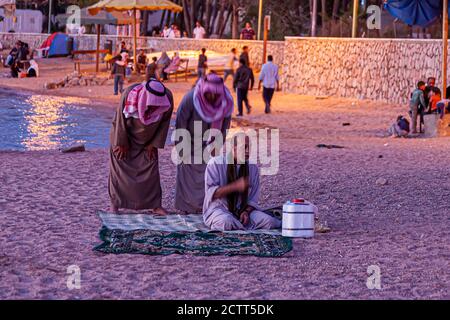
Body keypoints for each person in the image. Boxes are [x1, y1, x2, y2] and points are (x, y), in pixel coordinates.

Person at [109, 79, 174, 215]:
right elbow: (119, 120)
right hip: (124, 138)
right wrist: (122, 143)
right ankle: (115, 204)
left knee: (151, 170)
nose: (152, 108)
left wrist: (153, 144)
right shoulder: (128, 94)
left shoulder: (167, 97)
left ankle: (155, 206)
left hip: (148, 141)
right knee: (119, 172)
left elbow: (164, 123)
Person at [174, 73, 234, 213]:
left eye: (216, 95)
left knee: (209, 176)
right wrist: (183, 150)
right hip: (189, 142)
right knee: (187, 177)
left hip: (211, 144)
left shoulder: (226, 102)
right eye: (209, 94)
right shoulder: (190, 99)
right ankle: (186, 208)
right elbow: (180, 124)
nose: (212, 97)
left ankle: (205, 207)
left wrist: (217, 145)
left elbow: (225, 127)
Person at [203, 133, 281, 231]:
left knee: (270, 222)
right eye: (244, 147)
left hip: (242, 211)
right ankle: (239, 227)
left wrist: (246, 212)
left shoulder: (252, 168)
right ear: (233, 148)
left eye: (249, 147)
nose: (247, 151)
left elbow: (253, 199)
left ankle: (238, 226)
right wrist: (235, 186)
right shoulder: (215, 164)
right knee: (226, 222)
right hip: (220, 209)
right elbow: (211, 194)